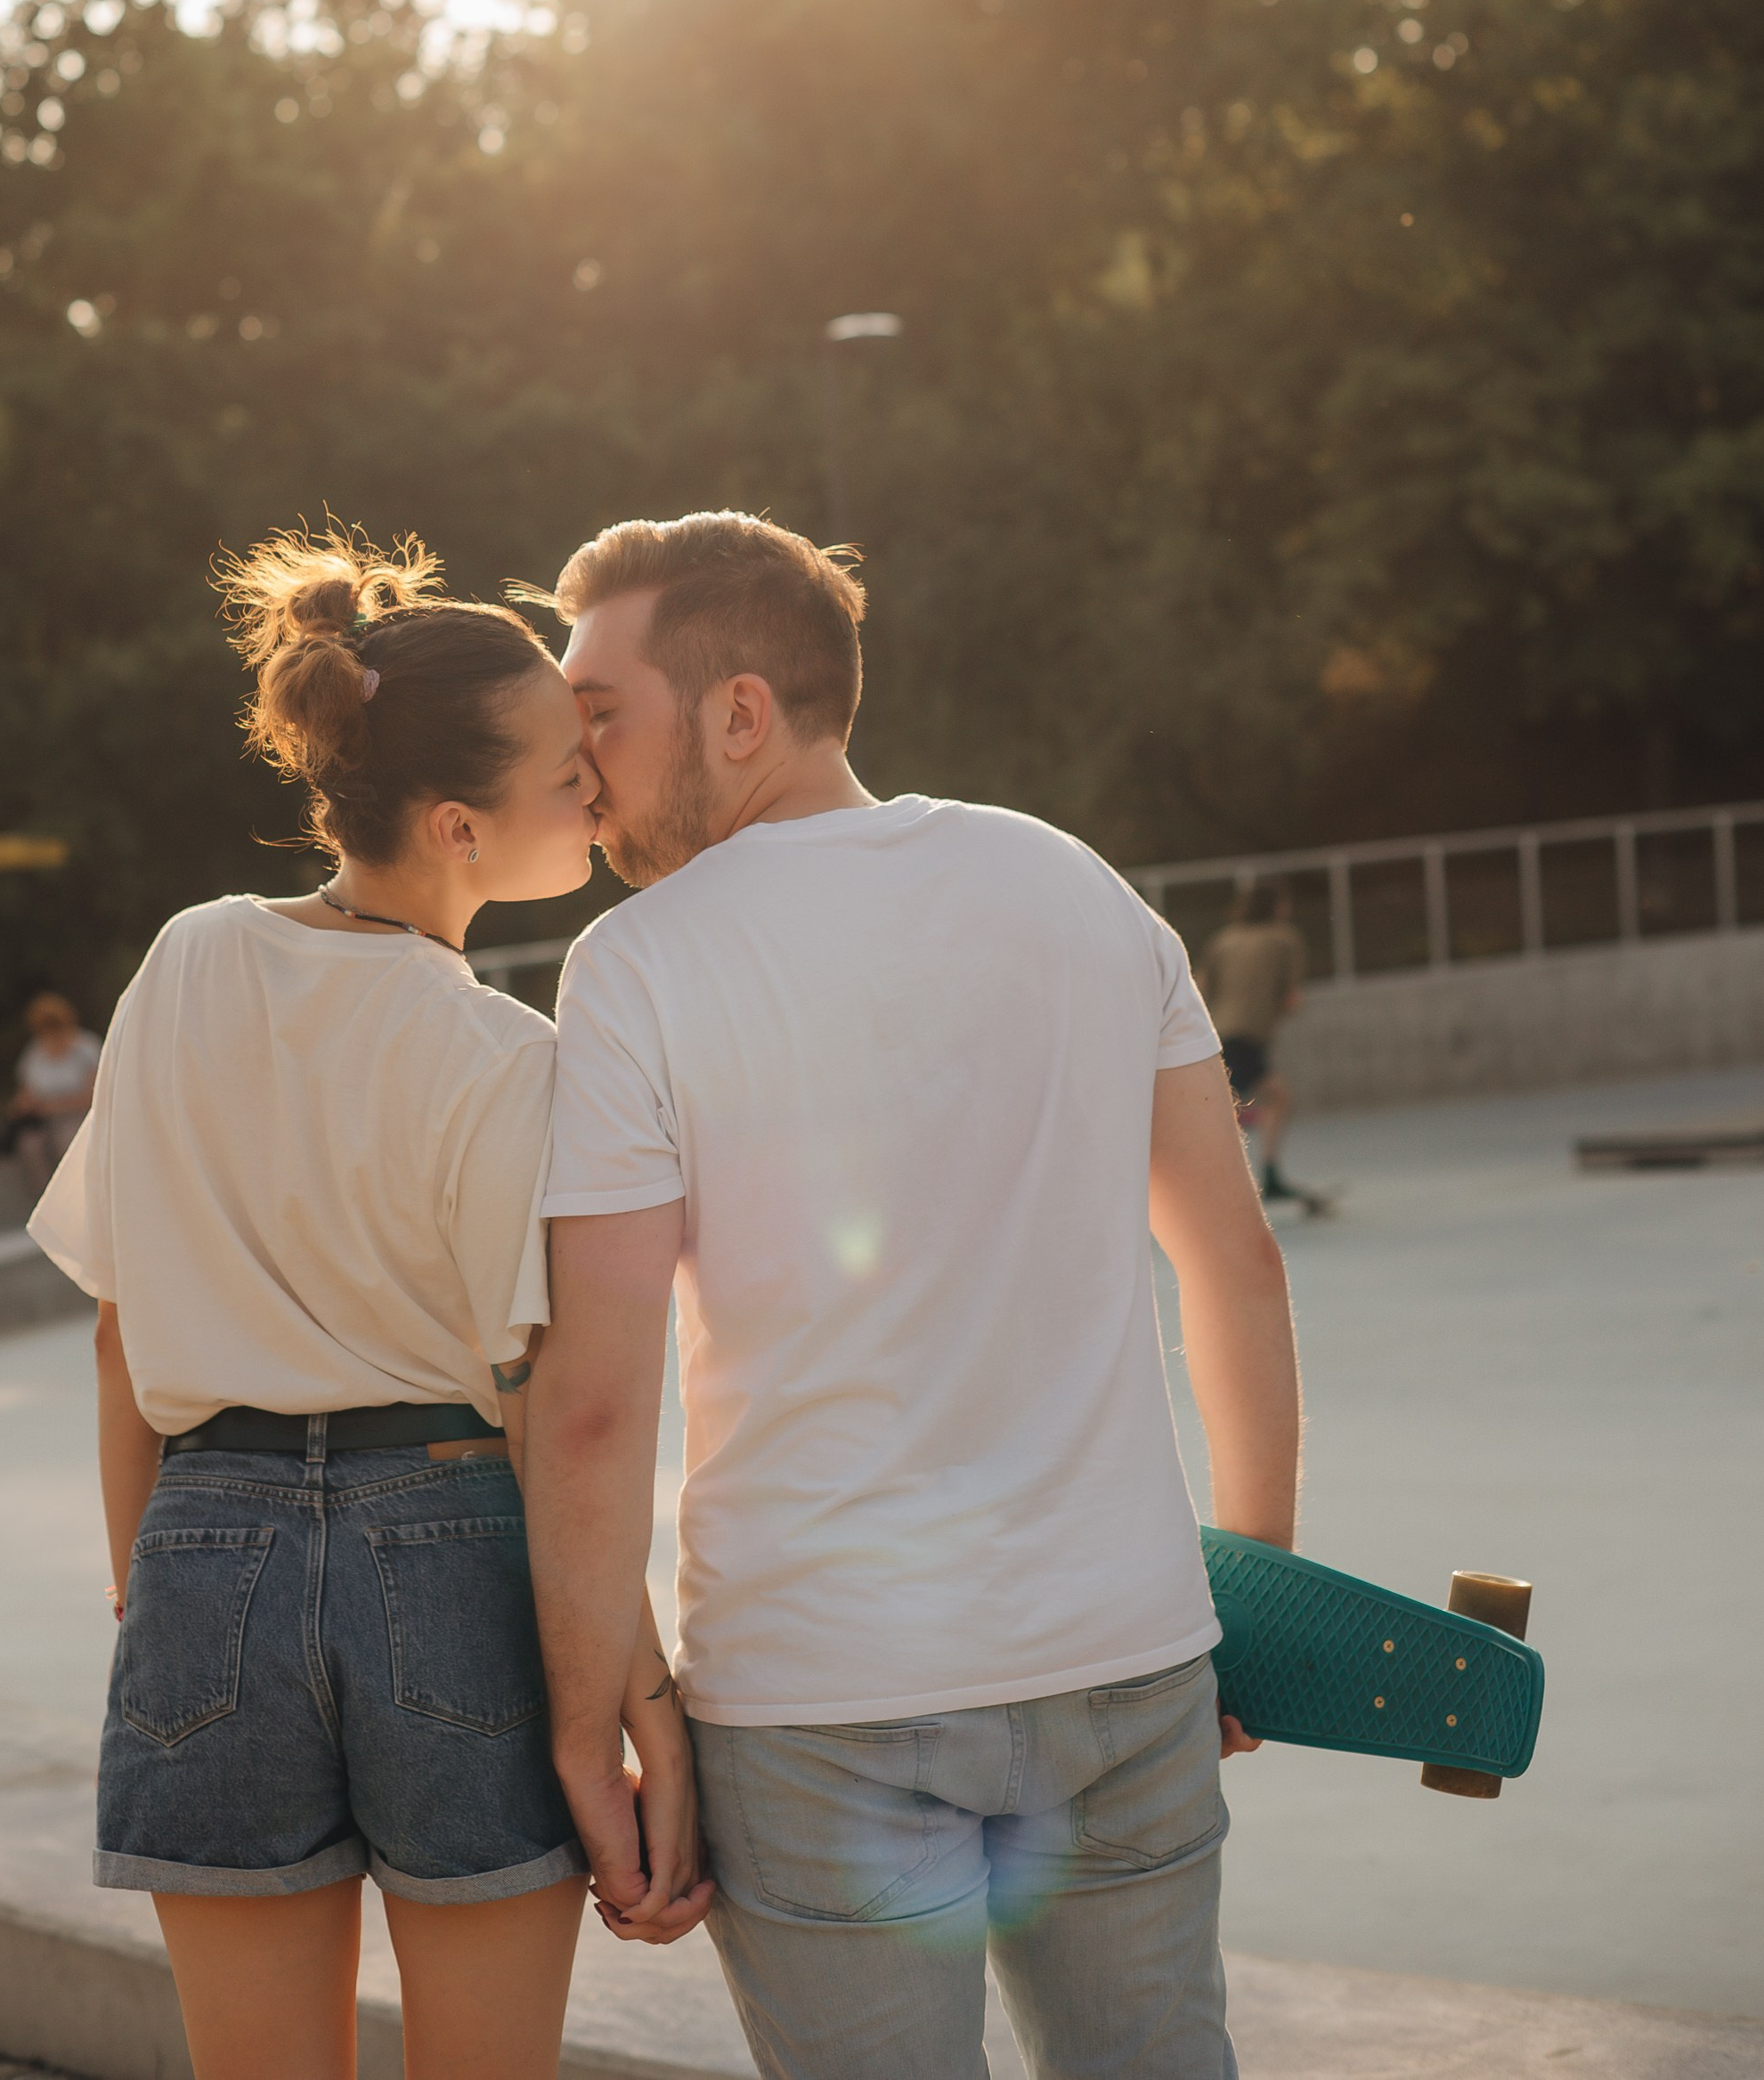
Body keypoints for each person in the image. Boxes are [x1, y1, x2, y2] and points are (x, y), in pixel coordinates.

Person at [519, 510, 1301, 2080]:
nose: (572, 757)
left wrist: (589, 1717)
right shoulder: (1078, 886)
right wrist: (1256, 1593)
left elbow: (595, 1401)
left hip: (818, 1701)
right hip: (1126, 1662)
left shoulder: (636, 967)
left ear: (743, 711)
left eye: (599, 712)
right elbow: (1232, 1257)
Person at [26, 528, 708, 2080]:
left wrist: (169, 1585)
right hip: (451, 1547)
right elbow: (549, 1416)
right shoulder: (510, 1063)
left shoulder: (190, 960)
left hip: (206, 1540)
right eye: (567, 776)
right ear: (461, 828)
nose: (597, 792)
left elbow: (121, 1329)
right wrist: (639, 1699)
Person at [1192, 882, 1317, 1211]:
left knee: (1264, 1101)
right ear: (1276, 907)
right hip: (1246, 1035)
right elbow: (1291, 998)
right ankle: (1220, 1188)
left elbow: (1201, 986)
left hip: (1220, 1034)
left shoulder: (1223, 939)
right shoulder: (1284, 939)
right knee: (1228, 1115)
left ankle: (1260, 1177)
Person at [0, 992, 102, 1190]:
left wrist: (54, 1106)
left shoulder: (86, 1048)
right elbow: (25, 1091)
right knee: (30, 1146)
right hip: (43, 1119)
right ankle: (45, 1198)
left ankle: (78, 1195)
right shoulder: (35, 1052)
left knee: (68, 1142)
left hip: (77, 1116)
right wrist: (23, 1106)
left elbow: (93, 1094)